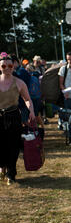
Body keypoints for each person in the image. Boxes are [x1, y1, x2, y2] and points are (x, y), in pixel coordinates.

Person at [0, 55, 36, 185]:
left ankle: (11, 173)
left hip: (13, 116)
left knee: (13, 146)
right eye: (4, 66)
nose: (7, 68)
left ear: (13, 66)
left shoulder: (19, 82)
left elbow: (27, 99)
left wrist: (31, 110)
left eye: (10, 66)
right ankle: (2, 167)